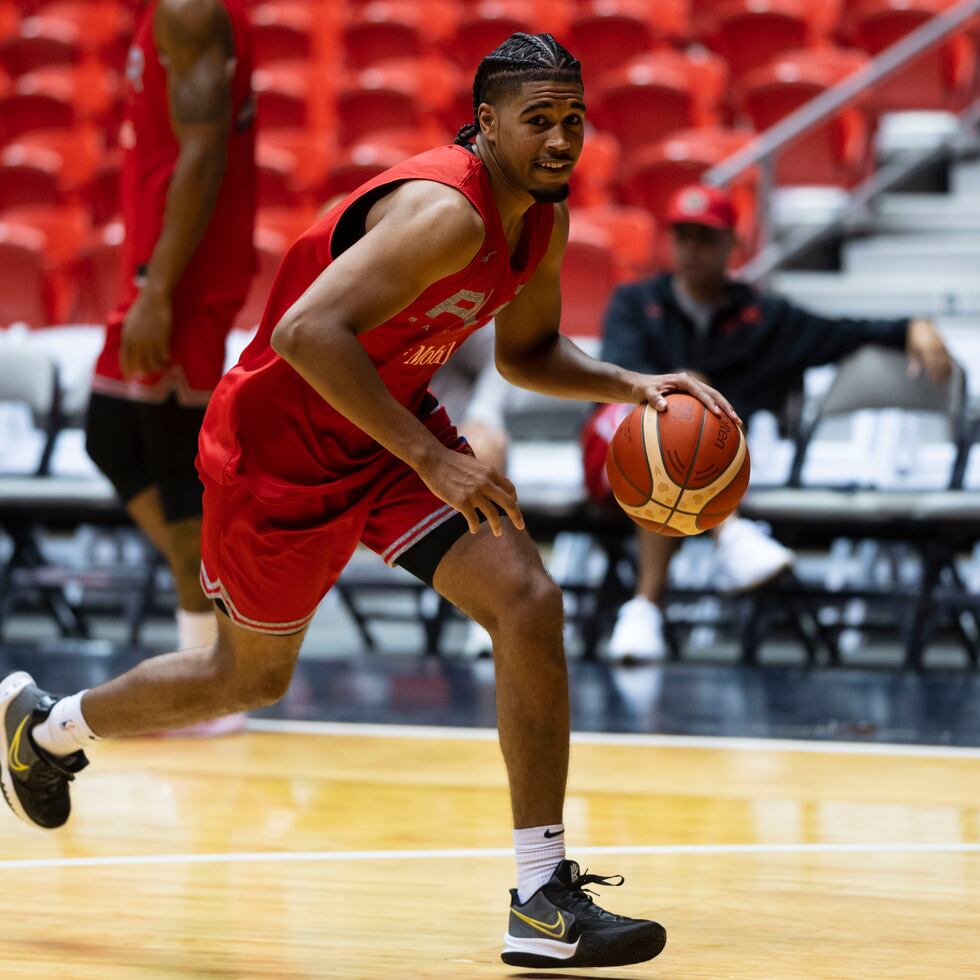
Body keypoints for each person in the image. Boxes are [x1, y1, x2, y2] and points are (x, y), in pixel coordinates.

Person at [0, 34, 740, 968]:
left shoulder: (537, 219)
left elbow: (525, 353)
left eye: (573, 120)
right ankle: (48, 726)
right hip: (284, 446)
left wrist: (631, 385)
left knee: (527, 601)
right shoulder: (445, 214)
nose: (561, 140)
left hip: (388, 426)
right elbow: (309, 330)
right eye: (539, 120)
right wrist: (435, 458)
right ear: (487, 124)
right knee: (248, 678)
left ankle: (540, 896)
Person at [588, 183, 953, 662]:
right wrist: (685, 389)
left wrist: (913, 325)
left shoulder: (764, 316)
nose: (692, 248)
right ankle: (731, 537)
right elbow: (615, 382)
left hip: (703, 465)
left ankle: (644, 609)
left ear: (732, 246)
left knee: (679, 442)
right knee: (674, 408)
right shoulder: (634, 302)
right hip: (613, 448)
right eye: (683, 236)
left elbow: (843, 332)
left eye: (705, 237)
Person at [83, 0, 257, 732]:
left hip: (178, 279)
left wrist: (157, 287)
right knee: (113, 440)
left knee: (177, 481)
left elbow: (205, 153)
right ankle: (220, 651)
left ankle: (215, 677)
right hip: (161, 270)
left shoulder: (187, 11)